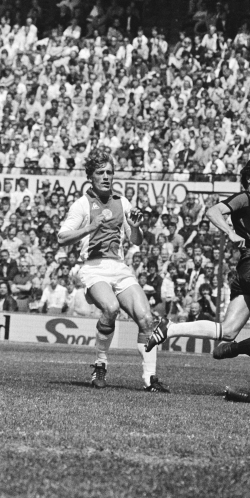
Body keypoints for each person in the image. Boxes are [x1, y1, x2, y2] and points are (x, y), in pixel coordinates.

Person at [145, 154, 250, 353]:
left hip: (248, 269)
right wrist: (229, 232)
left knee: (228, 331)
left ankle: (170, 328)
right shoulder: (244, 198)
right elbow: (213, 211)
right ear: (249, 178)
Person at [58, 149, 168, 393]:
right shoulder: (82, 204)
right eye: (101, 172)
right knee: (111, 308)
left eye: (109, 172)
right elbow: (61, 237)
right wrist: (89, 228)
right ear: (91, 177)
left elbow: (136, 240)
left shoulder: (122, 202)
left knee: (147, 318)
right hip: (93, 268)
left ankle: (150, 379)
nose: (106, 176)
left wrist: (137, 228)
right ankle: (100, 363)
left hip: (119, 267)